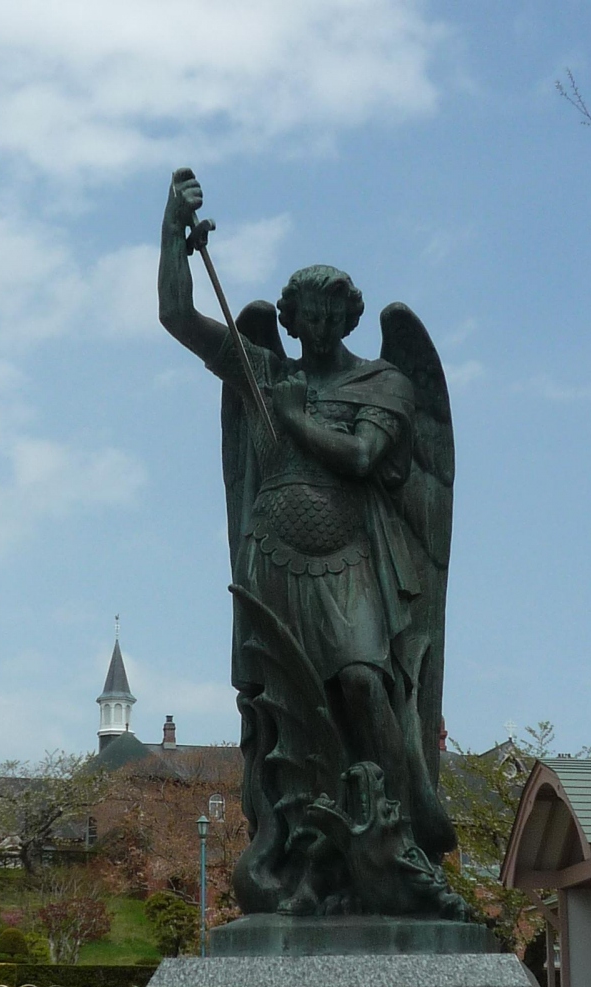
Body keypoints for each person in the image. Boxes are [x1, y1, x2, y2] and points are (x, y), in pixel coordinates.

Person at [159, 169, 460, 917]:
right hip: (273, 561)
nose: (319, 329)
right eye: (307, 318)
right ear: (291, 322)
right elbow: (178, 316)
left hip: (348, 561)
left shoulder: (383, 382)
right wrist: (171, 234)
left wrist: (293, 418)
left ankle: (399, 837)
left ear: (348, 317)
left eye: (331, 316)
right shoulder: (264, 370)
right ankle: (301, 853)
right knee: (285, 706)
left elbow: (362, 457)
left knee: (361, 682)